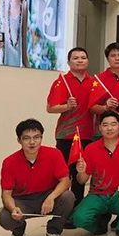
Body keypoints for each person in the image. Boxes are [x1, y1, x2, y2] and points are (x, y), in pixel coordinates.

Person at [0, 119, 75, 236]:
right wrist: (13, 208)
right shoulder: (9, 162)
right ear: (19, 140)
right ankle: (18, 231)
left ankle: (54, 230)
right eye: (26, 138)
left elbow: (66, 181)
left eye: (36, 137)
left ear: (41, 138)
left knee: (68, 197)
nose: (32, 142)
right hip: (23, 200)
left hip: (47, 195)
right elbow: (6, 194)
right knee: (6, 218)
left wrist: (51, 197)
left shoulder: (54, 154)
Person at [71, 111, 119, 236]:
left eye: (113, 124)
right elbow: (81, 181)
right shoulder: (91, 149)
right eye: (105, 125)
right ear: (100, 127)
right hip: (97, 195)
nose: (109, 128)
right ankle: (98, 227)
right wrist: (81, 171)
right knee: (78, 219)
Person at [46, 47, 93, 208]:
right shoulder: (62, 81)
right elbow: (50, 108)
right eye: (76, 58)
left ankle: (77, 209)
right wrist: (66, 106)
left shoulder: (93, 82)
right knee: (64, 174)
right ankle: (63, 209)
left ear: (87, 61)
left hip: (86, 134)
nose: (80, 60)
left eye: (83, 57)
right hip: (66, 135)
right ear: (68, 62)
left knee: (80, 173)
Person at [89, 42, 119, 136]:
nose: (117, 58)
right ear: (107, 59)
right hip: (106, 131)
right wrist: (106, 107)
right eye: (113, 56)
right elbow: (92, 108)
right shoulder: (99, 79)